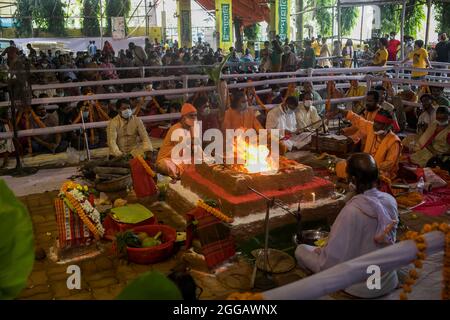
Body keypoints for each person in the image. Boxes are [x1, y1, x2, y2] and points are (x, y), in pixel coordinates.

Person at [296, 153, 399, 299]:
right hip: (387, 280)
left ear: (353, 180)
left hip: (362, 287)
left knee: (301, 249)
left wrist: (323, 251)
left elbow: (332, 260)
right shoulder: (390, 201)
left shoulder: (352, 211)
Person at [335, 107, 402, 180]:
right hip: (365, 166)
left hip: (380, 172)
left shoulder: (394, 141)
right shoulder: (371, 128)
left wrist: (369, 167)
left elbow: (389, 164)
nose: (375, 125)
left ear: (387, 126)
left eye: (379, 123)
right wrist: (340, 110)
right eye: (375, 121)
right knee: (342, 165)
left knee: (372, 176)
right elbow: (358, 120)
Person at [156, 103, 198, 179]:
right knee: (165, 165)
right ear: (183, 118)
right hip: (168, 160)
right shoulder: (176, 129)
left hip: (182, 161)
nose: (194, 118)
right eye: (191, 116)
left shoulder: (192, 128)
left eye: (195, 115)